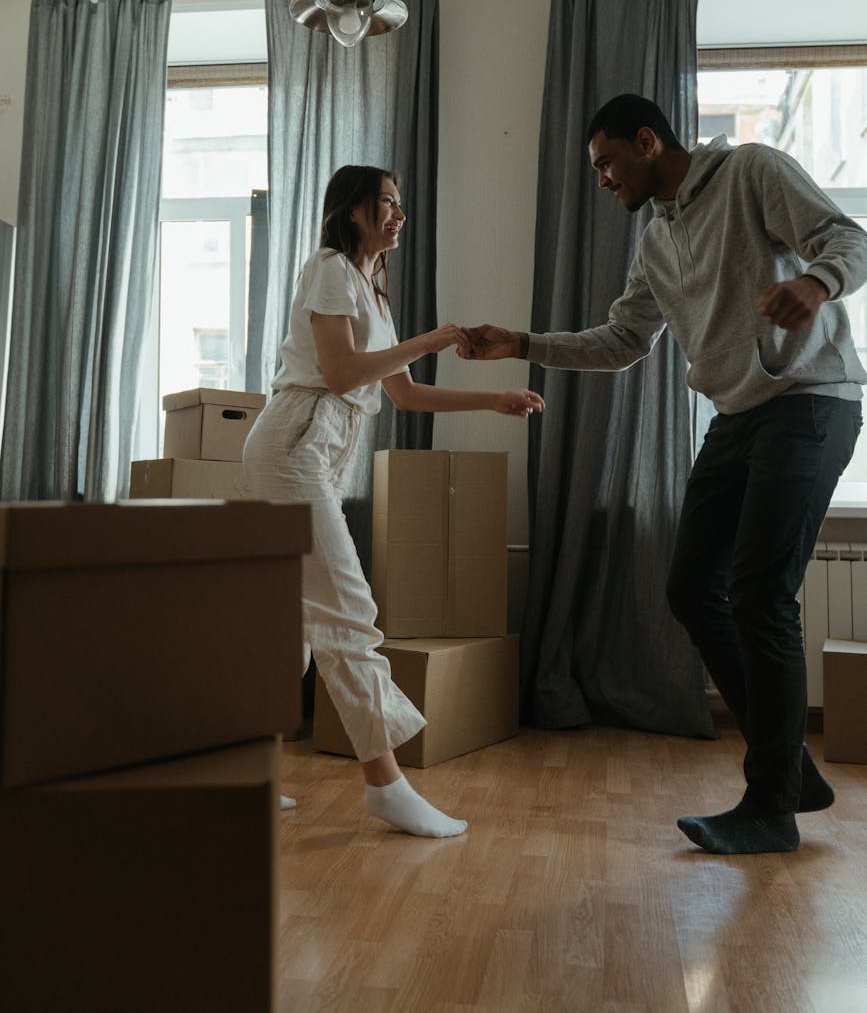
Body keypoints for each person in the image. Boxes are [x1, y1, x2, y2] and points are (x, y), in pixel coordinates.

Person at [458, 92, 867, 854]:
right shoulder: (656, 241)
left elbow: (846, 236)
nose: (603, 179)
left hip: (809, 400)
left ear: (647, 141)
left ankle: (770, 805)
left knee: (757, 593)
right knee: (690, 587)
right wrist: (518, 340)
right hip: (737, 415)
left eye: (607, 163)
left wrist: (814, 285)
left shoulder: (751, 170)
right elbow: (621, 341)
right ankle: (791, 771)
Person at [241, 164, 544, 839]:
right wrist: (433, 340)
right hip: (294, 445)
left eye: (400, 205)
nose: (399, 214)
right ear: (353, 211)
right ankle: (385, 784)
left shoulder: (371, 293)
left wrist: (491, 400)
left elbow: (403, 394)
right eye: (387, 203)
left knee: (290, 623)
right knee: (348, 611)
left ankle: (248, 777)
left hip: (317, 448)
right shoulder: (328, 269)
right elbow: (343, 372)